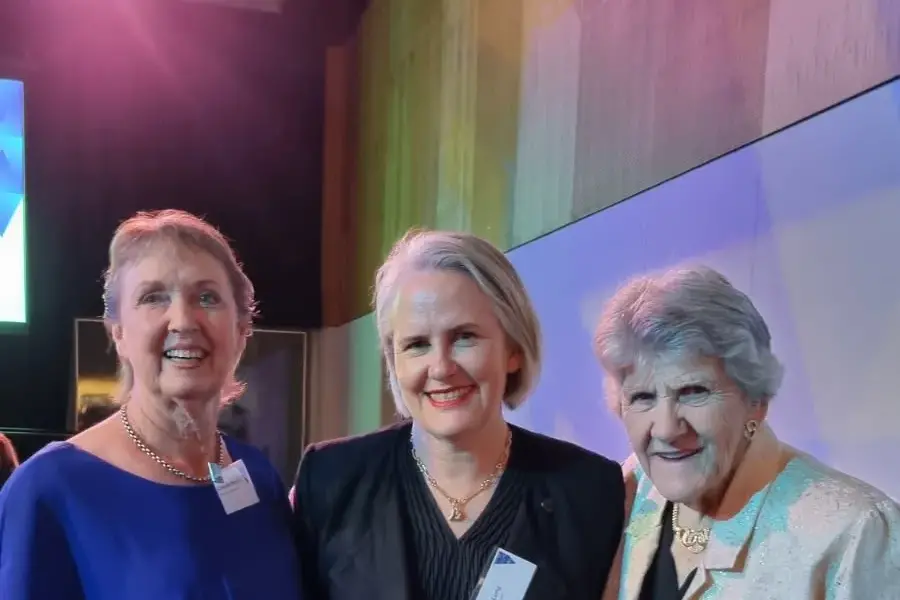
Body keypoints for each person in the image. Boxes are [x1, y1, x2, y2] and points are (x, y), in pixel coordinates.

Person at [290, 229, 625, 600]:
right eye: (417, 344)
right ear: (393, 361)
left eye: (464, 336)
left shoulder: (589, 491)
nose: (441, 367)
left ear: (512, 349)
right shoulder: (331, 480)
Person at [0, 210, 301, 599]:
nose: (183, 320)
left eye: (207, 297)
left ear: (242, 330)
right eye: (153, 297)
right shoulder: (49, 490)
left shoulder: (257, 477)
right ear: (118, 333)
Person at [593, 266, 900, 599]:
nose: (667, 429)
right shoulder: (630, 492)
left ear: (755, 400)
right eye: (643, 397)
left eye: (694, 391)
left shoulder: (857, 531)